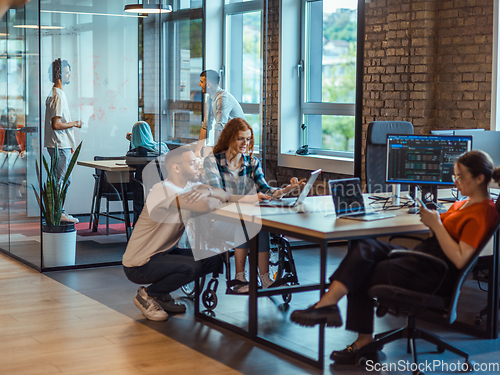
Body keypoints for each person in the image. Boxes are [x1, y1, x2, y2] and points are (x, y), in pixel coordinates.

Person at [290, 150, 500, 364]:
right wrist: (432, 222)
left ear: (479, 178)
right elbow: (443, 234)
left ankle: (351, 330)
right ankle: (328, 305)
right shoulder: (463, 204)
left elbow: (460, 259)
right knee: (364, 248)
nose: (456, 183)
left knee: (362, 267)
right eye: (454, 176)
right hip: (425, 259)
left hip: (434, 273)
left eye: (460, 177)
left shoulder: (482, 212)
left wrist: (436, 224)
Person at [122, 146, 225, 321]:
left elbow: (222, 193)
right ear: (176, 167)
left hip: (163, 254)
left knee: (213, 258)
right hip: (139, 264)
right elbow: (206, 205)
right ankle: (147, 295)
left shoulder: (189, 186)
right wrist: (209, 196)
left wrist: (208, 191)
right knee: (192, 267)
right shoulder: (162, 190)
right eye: (193, 163)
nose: (198, 166)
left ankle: (161, 295)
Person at [203, 117, 305, 293]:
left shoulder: (252, 163)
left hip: (244, 218)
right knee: (247, 222)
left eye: (249, 139)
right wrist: (249, 199)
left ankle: (264, 279)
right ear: (229, 138)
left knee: (259, 224)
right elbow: (219, 196)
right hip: (218, 220)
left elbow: (265, 189)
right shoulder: (213, 162)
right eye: (240, 138)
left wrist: (286, 190)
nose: (245, 143)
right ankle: (239, 278)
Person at [44, 58, 82, 223]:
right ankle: (59, 214)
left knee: (63, 180)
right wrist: (75, 123)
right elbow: (56, 124)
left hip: (60, 145)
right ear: (59, 74)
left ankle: (60, 212)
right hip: (60, 145)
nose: (70, 75)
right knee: (61, 180)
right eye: (67, 72)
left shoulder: (55, 94)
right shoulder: (58, 96)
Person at [195, 69, 245, 158]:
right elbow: (205, 126)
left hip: (239, 141)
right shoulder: (210, 99)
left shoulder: (223, 98)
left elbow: (220, 126)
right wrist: (197, 151)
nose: (199, 84)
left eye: (201, 82)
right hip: (229, 141)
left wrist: (216, 153)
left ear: (209, 84)